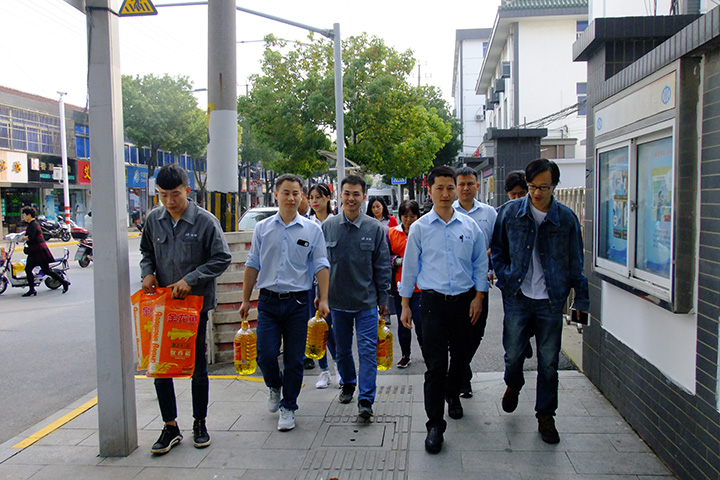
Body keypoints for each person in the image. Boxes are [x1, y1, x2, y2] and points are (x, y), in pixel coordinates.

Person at [491, 158, 589, 444]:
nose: (536, 193)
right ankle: (514, 382)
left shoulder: (566, 218)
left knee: (548, 361)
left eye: (543, 187)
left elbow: (576, 261)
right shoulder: (510, 212)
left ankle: (546, 414)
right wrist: (505, 277)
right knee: (512, 353)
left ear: (554, 186)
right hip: (518, 296)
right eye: (532, 186)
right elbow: (498, 250)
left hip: (551, 300)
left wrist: (581, 299)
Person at [140, 164, 231, 455]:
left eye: (175, 194)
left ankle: (199, 423)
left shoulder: (205, 221)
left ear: (187, 190)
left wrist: (190, 280)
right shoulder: (154, 220)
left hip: (194, 306)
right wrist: (147, 273)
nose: (169, 201)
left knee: (197, 365)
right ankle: (170, 426)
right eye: (163, 195)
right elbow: (146, 252)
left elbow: (222, 258)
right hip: (162, 305)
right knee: (160, 365)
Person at [400, 166, 489, 454]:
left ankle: (453, 393)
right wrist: (405, 304)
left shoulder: (469, 226)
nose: (446, 193)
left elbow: (480, 264)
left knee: (461, 359)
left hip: (464, 303)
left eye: (450, 188)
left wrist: (479, 297)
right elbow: (410, 268)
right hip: (433, 304)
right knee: (436, 366)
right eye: (439, 188)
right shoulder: (420, 228)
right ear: (430, 190)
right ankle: (435, 425)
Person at [240, 174, 330, 432]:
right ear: (276, 195)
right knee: (265, 354)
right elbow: (253, 263)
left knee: (294, 359)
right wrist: (245, 299)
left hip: (298, 302)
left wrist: (324, 298)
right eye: (286, 192)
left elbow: (321, 265)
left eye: (295, 193)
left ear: (302, 197)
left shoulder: (312, 230)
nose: (291, 198)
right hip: (268, 301)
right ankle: (274, 385)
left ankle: (288, 406)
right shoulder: (263, 228)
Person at [322, 175, 392, 419]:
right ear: (340, 195)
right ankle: (348, 383)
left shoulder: (375, 228)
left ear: (364, 197)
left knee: (367, 351)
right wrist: (321, 296)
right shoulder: (328, 227)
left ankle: (366, 399)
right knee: (341, 350)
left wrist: (383, 299)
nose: (351, 198)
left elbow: (383, 266)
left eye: (356, 194)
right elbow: (320, 266)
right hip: (336, 302)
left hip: (366, 303)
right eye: (347, 193)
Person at [453, 167, 497, 398]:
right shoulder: (447, 211)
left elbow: (499, 245)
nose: (466, 188)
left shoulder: (489, 213)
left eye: (470, 183)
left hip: (480, 282)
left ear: (477, 185)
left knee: (477, 331)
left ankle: (458, 370)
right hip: (456, 284)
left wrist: (488, 259)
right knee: (459, 332)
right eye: (461, 184)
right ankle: (463, 379)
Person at [308, 182, 340, 389]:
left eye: (318, 197)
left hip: (333, 282)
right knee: (317, 327)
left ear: (328, 198)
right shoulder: (307, 223)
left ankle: (339, 367)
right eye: (311, 197)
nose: (314, 201)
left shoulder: (336, 223)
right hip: (311, 283)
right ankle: (324, 370)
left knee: (333, 328)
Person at [388, 200, 423, 368]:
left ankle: (426, 351)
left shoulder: (423, 231)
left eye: (412, 216)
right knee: (403, 324)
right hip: (400, 286)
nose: (408, 220)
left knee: (421, 323)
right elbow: (386, 255)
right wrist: (398, 261)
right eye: (405, 216)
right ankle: (405, 355)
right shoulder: (392, 233)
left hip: (421, 286)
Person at [20, 206, 70, 296]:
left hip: (38, 251)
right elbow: (30, 233)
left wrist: (21, 238)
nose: (24, 217)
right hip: (37, 251)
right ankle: (63, 282)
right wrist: (21, 235)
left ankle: (32, 290)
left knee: (30, 269)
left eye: (24, 215)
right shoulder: (32, 224)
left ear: (29, 215)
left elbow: (31, 237)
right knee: (45, 270)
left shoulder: (33, 224)